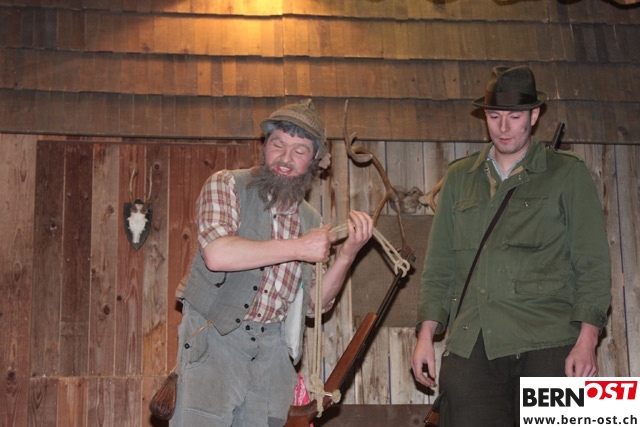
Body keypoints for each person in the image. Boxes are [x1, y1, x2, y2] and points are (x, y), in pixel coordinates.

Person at [410, 65, 611, 426]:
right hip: (475, 341)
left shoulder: (567, 174)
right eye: (494, 116)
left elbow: (592, 262)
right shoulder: (459, 178)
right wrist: (425, 334)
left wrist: (588, 339)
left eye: (514, 116)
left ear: (533, 116)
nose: (503, 127)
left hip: (549, 341)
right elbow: (439, 266)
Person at [172, 99, 374, 427]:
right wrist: (300, 247)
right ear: (264, 146)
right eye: (278, 144)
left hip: (273, 354)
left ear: (315, 161)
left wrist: (349, 253)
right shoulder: (227, 184)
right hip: (215, 341)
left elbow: (314, 305)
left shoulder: (311, 220)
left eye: (300, 150)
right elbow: (217, 254)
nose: (285, 158)